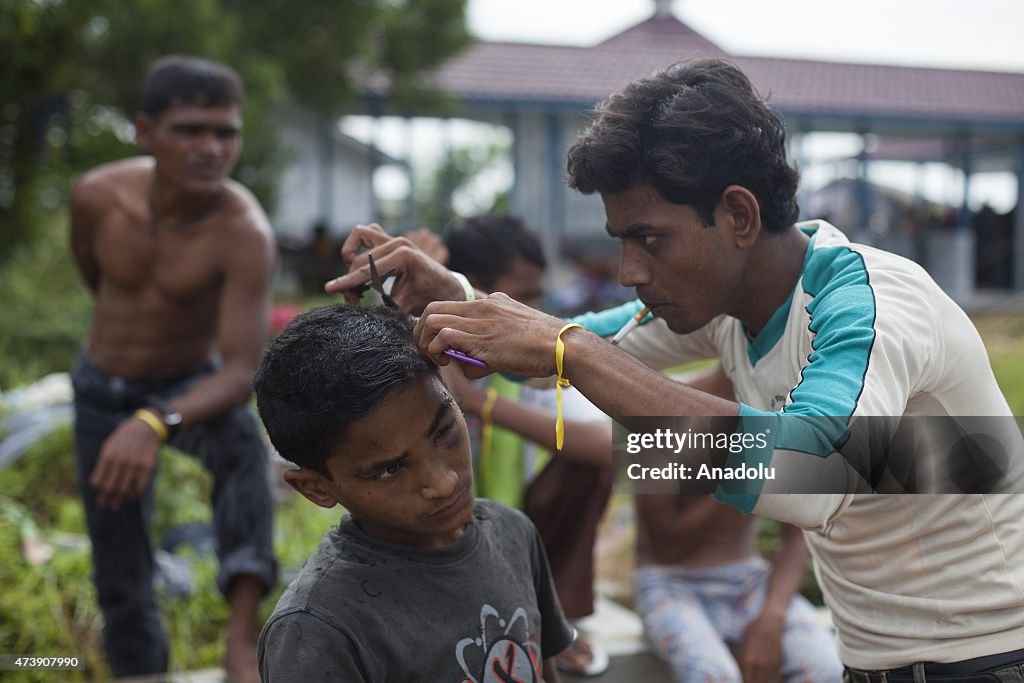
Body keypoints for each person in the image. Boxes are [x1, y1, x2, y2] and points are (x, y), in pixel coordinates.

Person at [326, 58, 1024, 681]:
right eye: (622, 241)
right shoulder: (728, 305)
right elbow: (549, 359)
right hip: (879, 661)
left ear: (739, 215)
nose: (629, 271)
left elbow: (813, 474)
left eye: (649, 238)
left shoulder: (867, 302)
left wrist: (572, 349)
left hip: (990, 659)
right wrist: (452, 296)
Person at [69, 55, 277, 682]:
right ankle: (140, 672)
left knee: (243, 447)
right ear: (145, 130)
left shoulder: (243, 232)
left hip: (187, 384)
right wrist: (127, 411)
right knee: (119, 562)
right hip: (100, 385)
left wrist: (155, 420)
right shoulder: (96, 197)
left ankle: (242, 642)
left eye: (226, 132)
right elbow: (94, 280)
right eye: (190, 129)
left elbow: (243, 370)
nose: (212, 147)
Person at [252, 304, 574, 682]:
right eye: (390, 469)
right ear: (316, 488)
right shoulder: (318, 630)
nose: (443, 483)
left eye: (444, 433)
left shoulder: (513, 533)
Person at [443, 214, 613, 677]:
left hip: (519, 534)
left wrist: (482, 403)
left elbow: (605, 447)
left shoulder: (540, 355)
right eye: (528, 297)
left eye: (542, 296)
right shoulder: (429, 352)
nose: (538, 311)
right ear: (477, 292)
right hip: (446, 537)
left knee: (586, 467)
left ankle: (550, 620)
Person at [634, 369, 842, 683]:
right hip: (671, 582)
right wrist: (739, 463)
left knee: (828, 670)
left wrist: (771, 619)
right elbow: (667, 540)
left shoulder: (779, 407)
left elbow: (796, 538)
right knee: (714, 676)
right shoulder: (670, 407)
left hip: (749, 581)